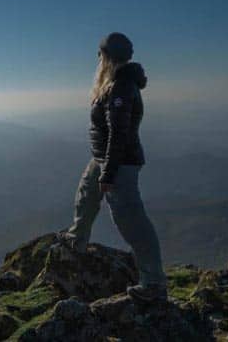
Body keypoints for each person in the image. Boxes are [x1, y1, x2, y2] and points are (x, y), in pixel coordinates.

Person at [61, 32, 167, 302]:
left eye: (100, 55)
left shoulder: (121, 87)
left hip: (119, 163)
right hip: (104, 158)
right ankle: (76, 241)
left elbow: (119, 133)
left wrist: (109, 173)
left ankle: (153, 284)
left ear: (108, 58)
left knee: (131, 220)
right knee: (86, 196)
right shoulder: (115, 84)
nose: (98, 59)